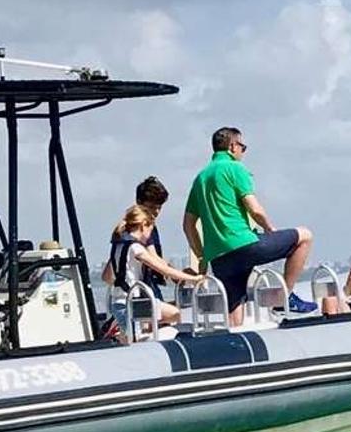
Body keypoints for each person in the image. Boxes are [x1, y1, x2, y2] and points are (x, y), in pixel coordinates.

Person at [183, 126, 313, 325]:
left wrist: (201, 255)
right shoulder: (235, 168)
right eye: (243, 147)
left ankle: (233, 348)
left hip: (218, 257)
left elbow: (188, 224)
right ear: (233, 146)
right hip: (243, 244)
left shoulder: (200, 178)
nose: (243, 152)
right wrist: (270, 230)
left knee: (234, 311)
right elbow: (255, 209)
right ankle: (284, 297)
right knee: (304, 236)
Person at [103, 204, 201, 331]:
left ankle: (121, 329)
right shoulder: (136, 248)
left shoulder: (118, 246)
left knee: (153, 326)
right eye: (150, 231)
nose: (150, 237)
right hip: (132, 304)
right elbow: (162, 269)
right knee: (177, 315)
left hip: (120, 302)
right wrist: (193, 279)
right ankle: (119, 329)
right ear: (143, 225)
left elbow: (107, 277)